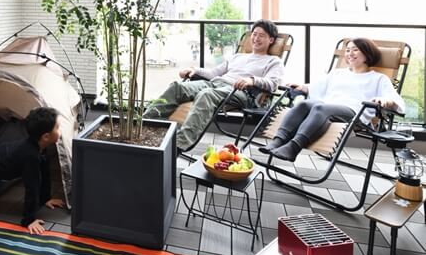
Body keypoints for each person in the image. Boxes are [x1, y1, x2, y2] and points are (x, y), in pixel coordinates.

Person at [143, 19, 285, 151]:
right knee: (177, 87)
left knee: (206, 95)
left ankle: (179, 145)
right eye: (254, 34)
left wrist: (252, 80)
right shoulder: (238, 57)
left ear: (271, 40)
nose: (256, 38)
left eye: (262, 35)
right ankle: (144, 124)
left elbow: (273, 83)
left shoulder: (273, 61)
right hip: (215, 83)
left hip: (240, 91)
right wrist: (194, 70)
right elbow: (213, 73)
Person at [259, 38, 405, 162]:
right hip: (327, 108)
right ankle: (278, 141)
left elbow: (393, 99)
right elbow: (316, 88)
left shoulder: (378, 78)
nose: (350, 53)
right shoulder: (338, 73)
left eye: (355, 50)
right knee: (303, 104)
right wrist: (302, 87)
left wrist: (385, 101)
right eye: (347, 50)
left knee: (320, 108)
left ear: (367, 53)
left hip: (354, 113)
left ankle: (293, 147)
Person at [0, 107, 65, 235]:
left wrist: (45, 198)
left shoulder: (39, 146)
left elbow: (44, 172)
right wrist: (29, 220)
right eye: (58, 127)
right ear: (46, 136)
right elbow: (32, 188)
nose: (61, 130)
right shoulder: (30, 156)